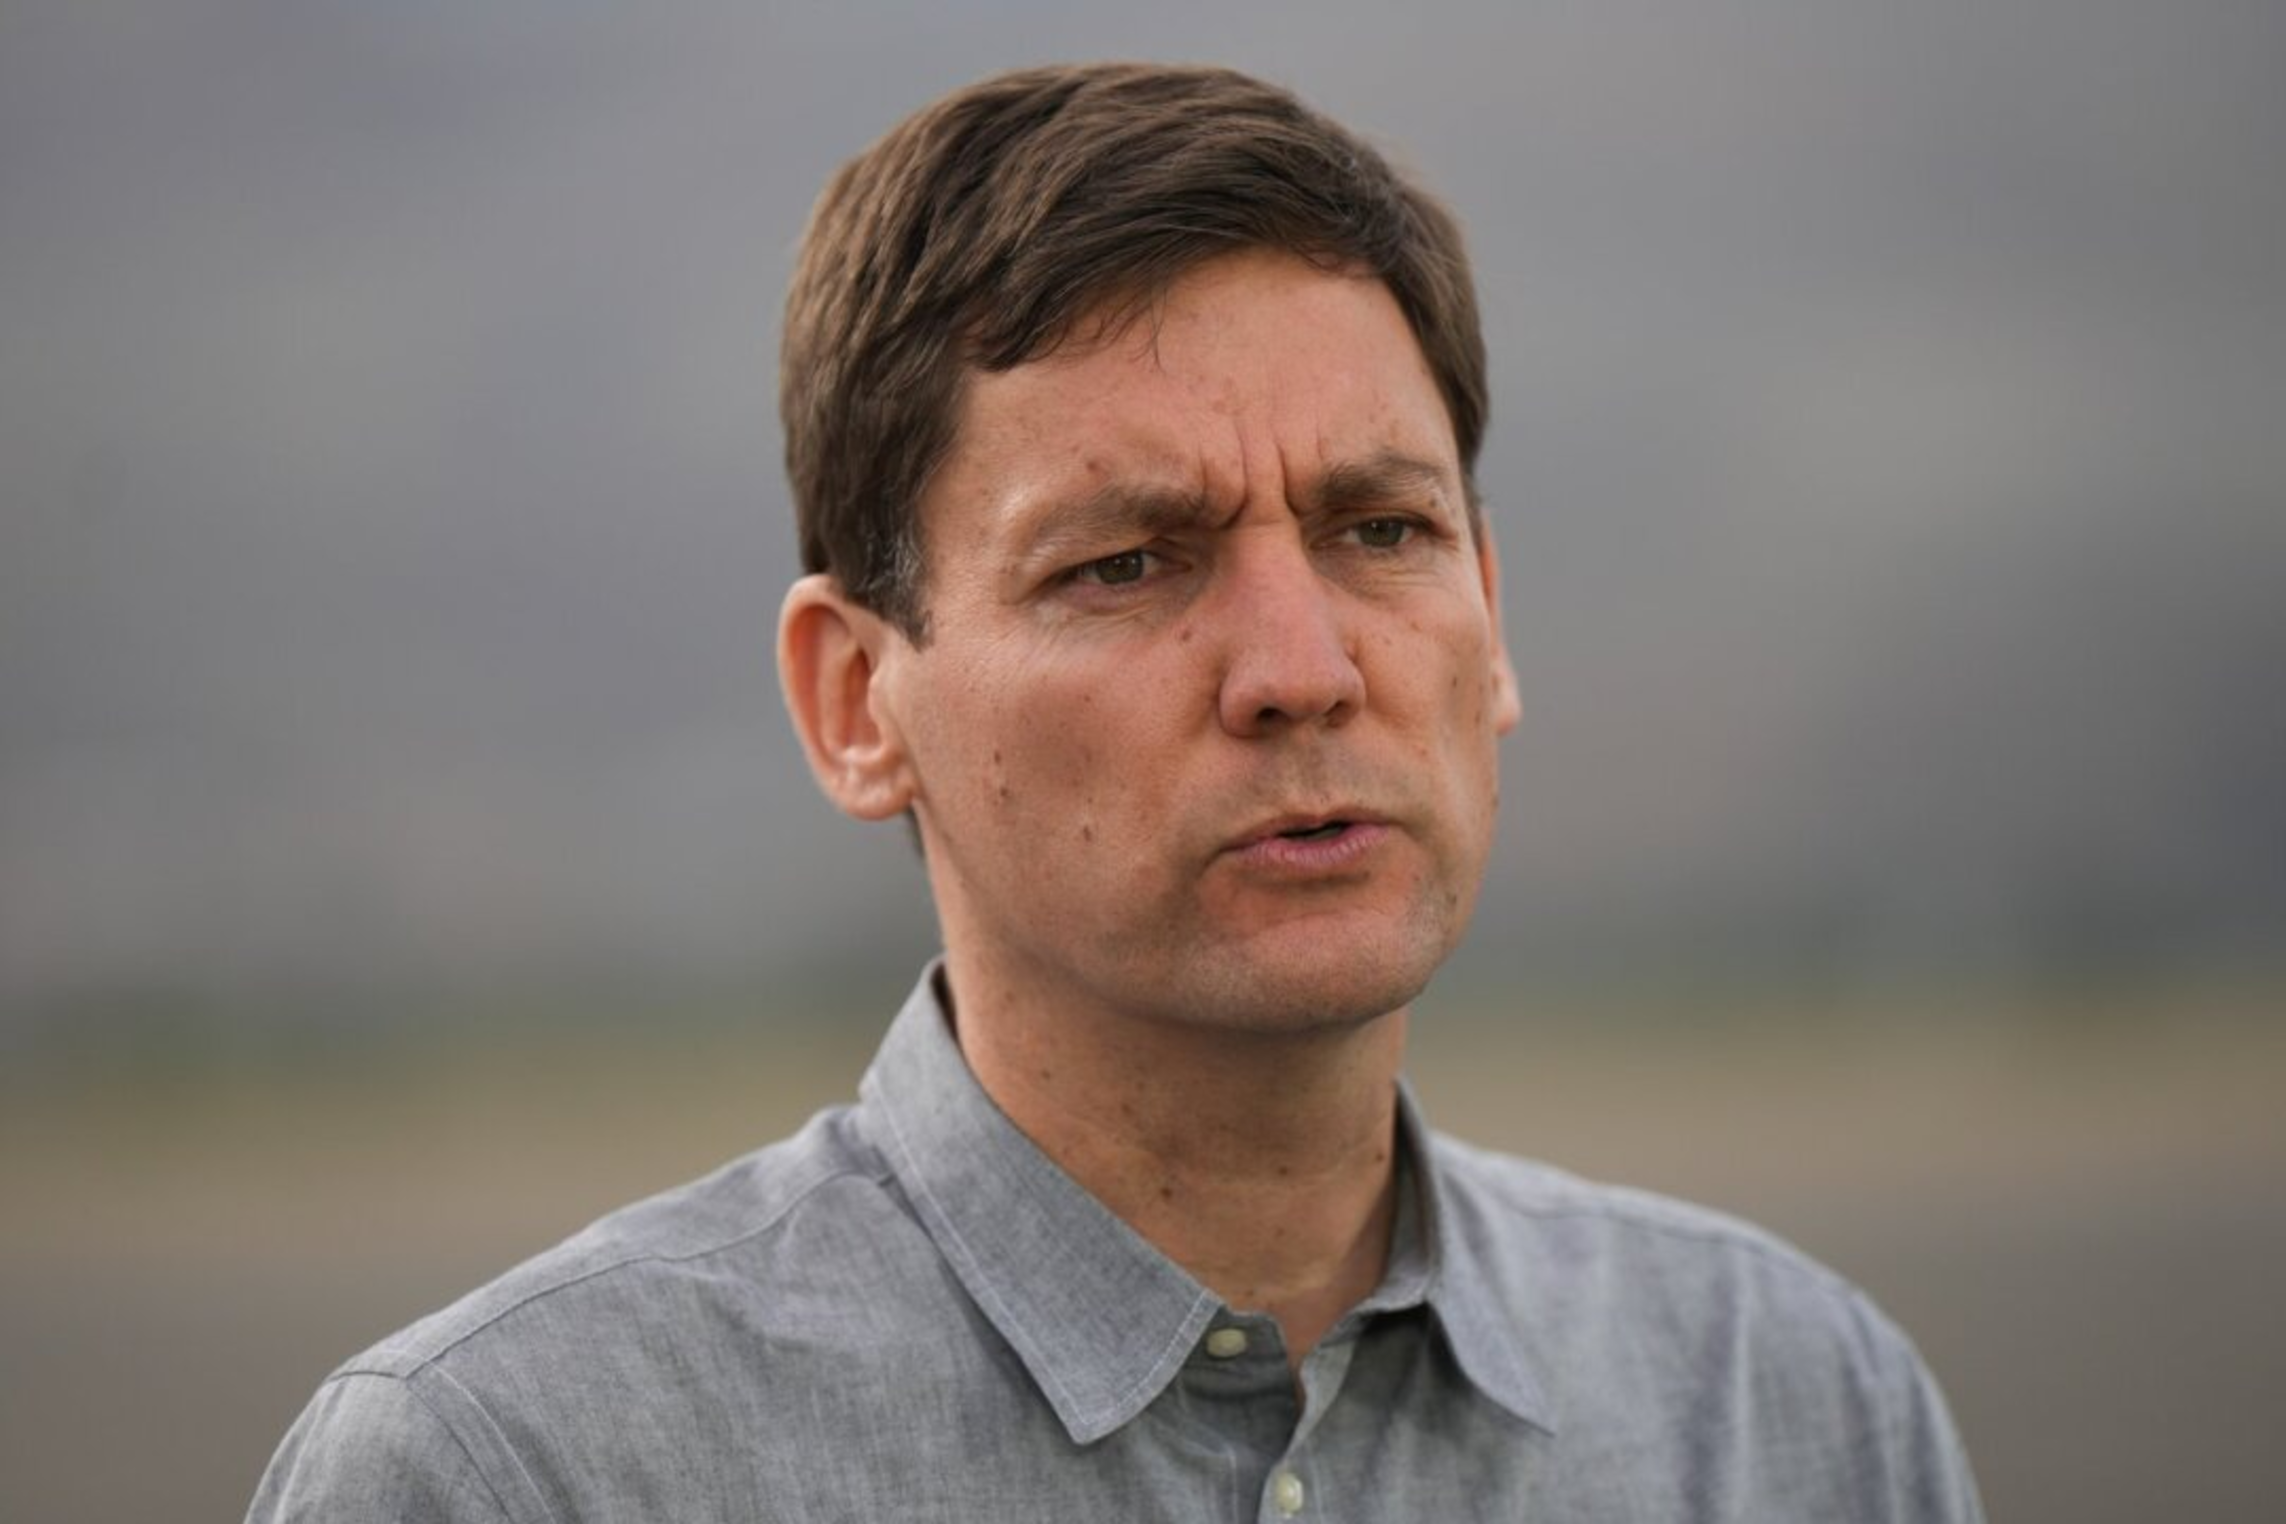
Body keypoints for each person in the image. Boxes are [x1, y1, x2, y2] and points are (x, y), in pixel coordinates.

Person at [248, 63, 1983, 1522]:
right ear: (855, 702)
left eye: (1380, 530)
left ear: (1492, 616)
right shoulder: (515, 1471)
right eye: (1127, 564)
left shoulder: (1785, 1408)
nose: (1302, 667)